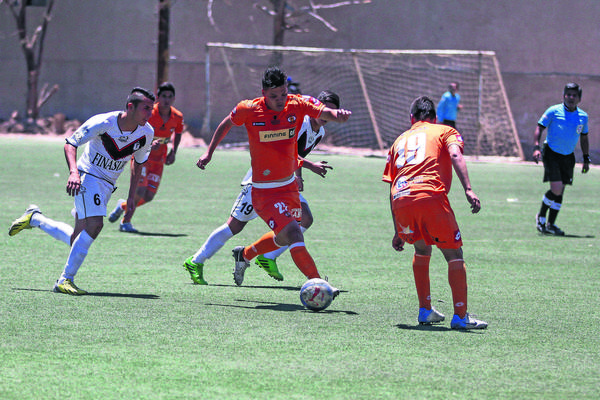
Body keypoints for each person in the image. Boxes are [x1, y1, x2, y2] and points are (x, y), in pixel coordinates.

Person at [188, 66, 351, 292]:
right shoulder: (249, 109)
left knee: (294, 228)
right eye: (274, 96)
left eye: (283, 94)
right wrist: (209, 152)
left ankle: (246, 255)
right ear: (263, 92)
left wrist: (337, 116)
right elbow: (227, 123)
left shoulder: (296, 105)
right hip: (261, 188)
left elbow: (322, 113)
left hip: (288, 187)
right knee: (237, 226)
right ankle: (318, 284)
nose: (280, 100)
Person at [8, 88, 155, 295]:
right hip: (87, 176)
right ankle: (65, 280)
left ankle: (35, 219)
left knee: (76, 238)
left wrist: (131, 196)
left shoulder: (146, 132)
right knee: (95, 225)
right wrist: (74, 172)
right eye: (146, 109)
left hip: (107, 185)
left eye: (151, 109)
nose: (149, 114)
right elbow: (71, 143)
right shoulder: (104, 123)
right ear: (130, 107)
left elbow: (138, 163)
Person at [382, 95, 487, 330]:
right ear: (435, 118)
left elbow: (391, 185)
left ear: (411, 118)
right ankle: (460, 316)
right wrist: (468, 189)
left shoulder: (398, 140)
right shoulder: (445, 130)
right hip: (430, 196)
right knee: (454, 254)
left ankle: (425, 310)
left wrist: (397, 229)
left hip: (401, 200)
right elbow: (455, 155)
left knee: (421, 249)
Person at [108, 82, 185, 232]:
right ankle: (126, 222)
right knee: (140, 191)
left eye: (170, 97)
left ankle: (122, 206)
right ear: (158, 97)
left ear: (174, 99)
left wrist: (173, 152)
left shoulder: (177, 116)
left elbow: (178, 132)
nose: (166, 100)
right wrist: (147, 145)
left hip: (159, 160)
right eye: (163, 96)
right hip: (142, 156)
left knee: (149, 196)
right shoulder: (148, 113)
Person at [533, 82, 590, 236]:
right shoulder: (553, 111)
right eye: (568, 94)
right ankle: (541, 217)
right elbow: (539, 127)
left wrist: (586, 158)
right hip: (551, 153)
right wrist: (536, 147)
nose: (571, 97)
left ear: (579, 98)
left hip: (568, 156)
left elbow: (584, 138)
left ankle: (551, 224)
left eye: (574, 95)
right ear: (564, 95)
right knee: (556, 189)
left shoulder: (583, 117)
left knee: (561, 190)